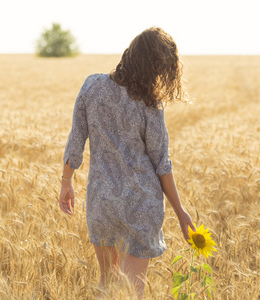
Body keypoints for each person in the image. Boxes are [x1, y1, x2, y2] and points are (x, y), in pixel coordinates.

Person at [58, 27, 195, 299]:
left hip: (102, 201)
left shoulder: (92, 86)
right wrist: (181, 213)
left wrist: (66, 182)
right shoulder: (149, 103)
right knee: (134, 289)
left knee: (107, 283)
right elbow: (161, 164)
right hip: (141, 203)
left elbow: (76, 140)